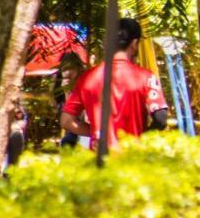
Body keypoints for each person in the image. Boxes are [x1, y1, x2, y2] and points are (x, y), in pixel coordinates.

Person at [60, 17, 168, 148]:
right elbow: (161, 119)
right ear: (134, 43)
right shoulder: (146, 77)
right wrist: (142, 140)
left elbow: (66, 121)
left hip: (100, 160)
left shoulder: (87, 78)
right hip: (134, 157)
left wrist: (97, 132)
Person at [53, 51, 87, 148]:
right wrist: (66, 92)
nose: (67, 72)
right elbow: (67, 113)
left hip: (85, 127)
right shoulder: (62, 85)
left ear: (78, 69)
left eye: (70, 69)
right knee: (67, 141)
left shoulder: (85, 83)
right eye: (64, 69)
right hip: (74, 127)